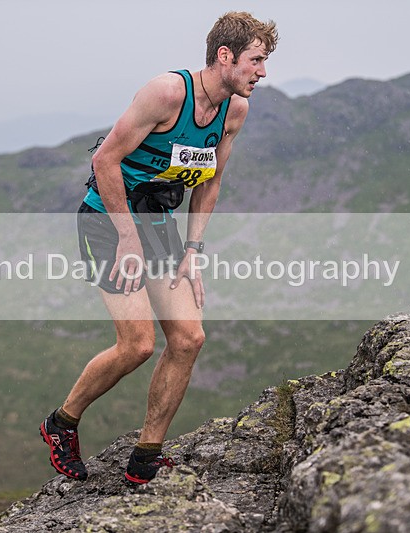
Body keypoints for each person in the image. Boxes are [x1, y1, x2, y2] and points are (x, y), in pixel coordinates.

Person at [40, 11, 278, 484]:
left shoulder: (235, 110)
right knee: (137, 345)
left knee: (189, 338)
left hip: (159, 223)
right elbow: (105, 159)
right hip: (109, 222)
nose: (263, 73)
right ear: (224, 56)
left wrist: (193, 249)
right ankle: (60, 424)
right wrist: (127, 238)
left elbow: (210, 181)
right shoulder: (168, 93)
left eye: (266, 62)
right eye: (256, 60)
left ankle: (145, 457)